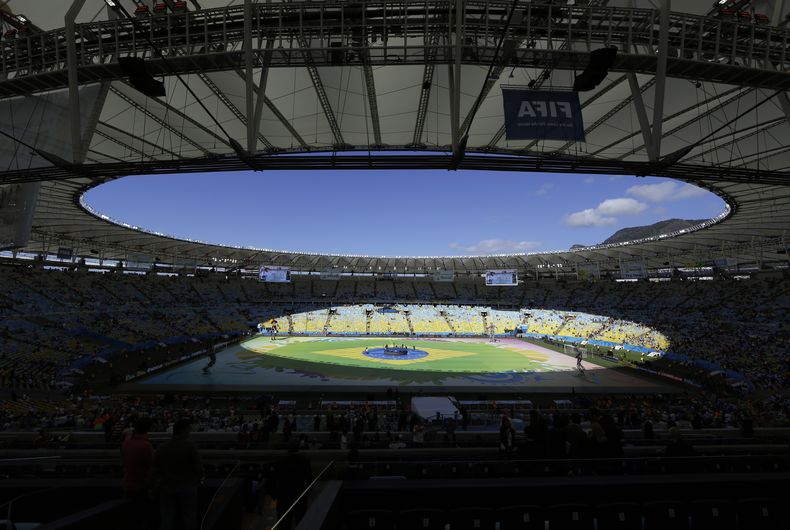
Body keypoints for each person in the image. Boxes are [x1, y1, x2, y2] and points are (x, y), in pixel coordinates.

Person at [154, 419, 204, 530]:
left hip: (167, 487)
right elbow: (199, 468)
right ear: (182, 431)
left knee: (167, 518)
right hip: (187, 487)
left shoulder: (162, 447)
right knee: (189, 517)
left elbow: (156, 468)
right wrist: (199, 478)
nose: (189, 432)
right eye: (188, 430)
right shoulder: (190, 446)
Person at [122, 418, 154, 530]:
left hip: (128, 484)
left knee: (132, 518)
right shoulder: (145, 445)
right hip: (141, 485)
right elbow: (150, 466)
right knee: (142, 517)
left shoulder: (126, 443)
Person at [273, 440, 313, 529]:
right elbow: (310, 479)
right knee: (300, 520)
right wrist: (307, 493)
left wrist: (275, 494)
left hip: (284, 494)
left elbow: (275, 479)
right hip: (299, 493)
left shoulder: (280, 462)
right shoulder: (305, 461)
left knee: (284, 522)